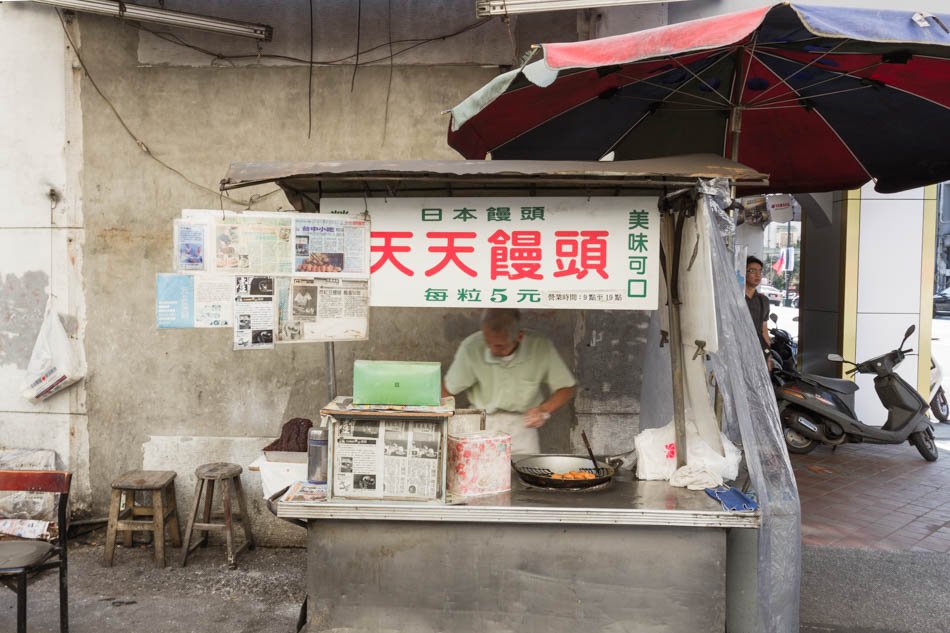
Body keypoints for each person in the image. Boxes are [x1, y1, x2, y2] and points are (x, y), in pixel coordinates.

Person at [442, 309, 576, 455]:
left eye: (499, 345)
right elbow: (447, 391)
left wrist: (543, 410)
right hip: (482, 424)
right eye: (487, 342)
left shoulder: (540, 347)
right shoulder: (471, 347)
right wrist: (446, 427)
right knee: (480, 475)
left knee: (524, 474)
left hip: (523, 426)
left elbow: (566, 387)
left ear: (519, 336)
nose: (492, 349)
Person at [744, 256, 772, 361]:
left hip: (758, 352)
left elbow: (764, 329)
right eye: (752, 271)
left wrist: (768, 355)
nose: (757, 275)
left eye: (760, 271)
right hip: (738, 352)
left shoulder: (763, 301)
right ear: (743, 272)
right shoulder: (734, 299)